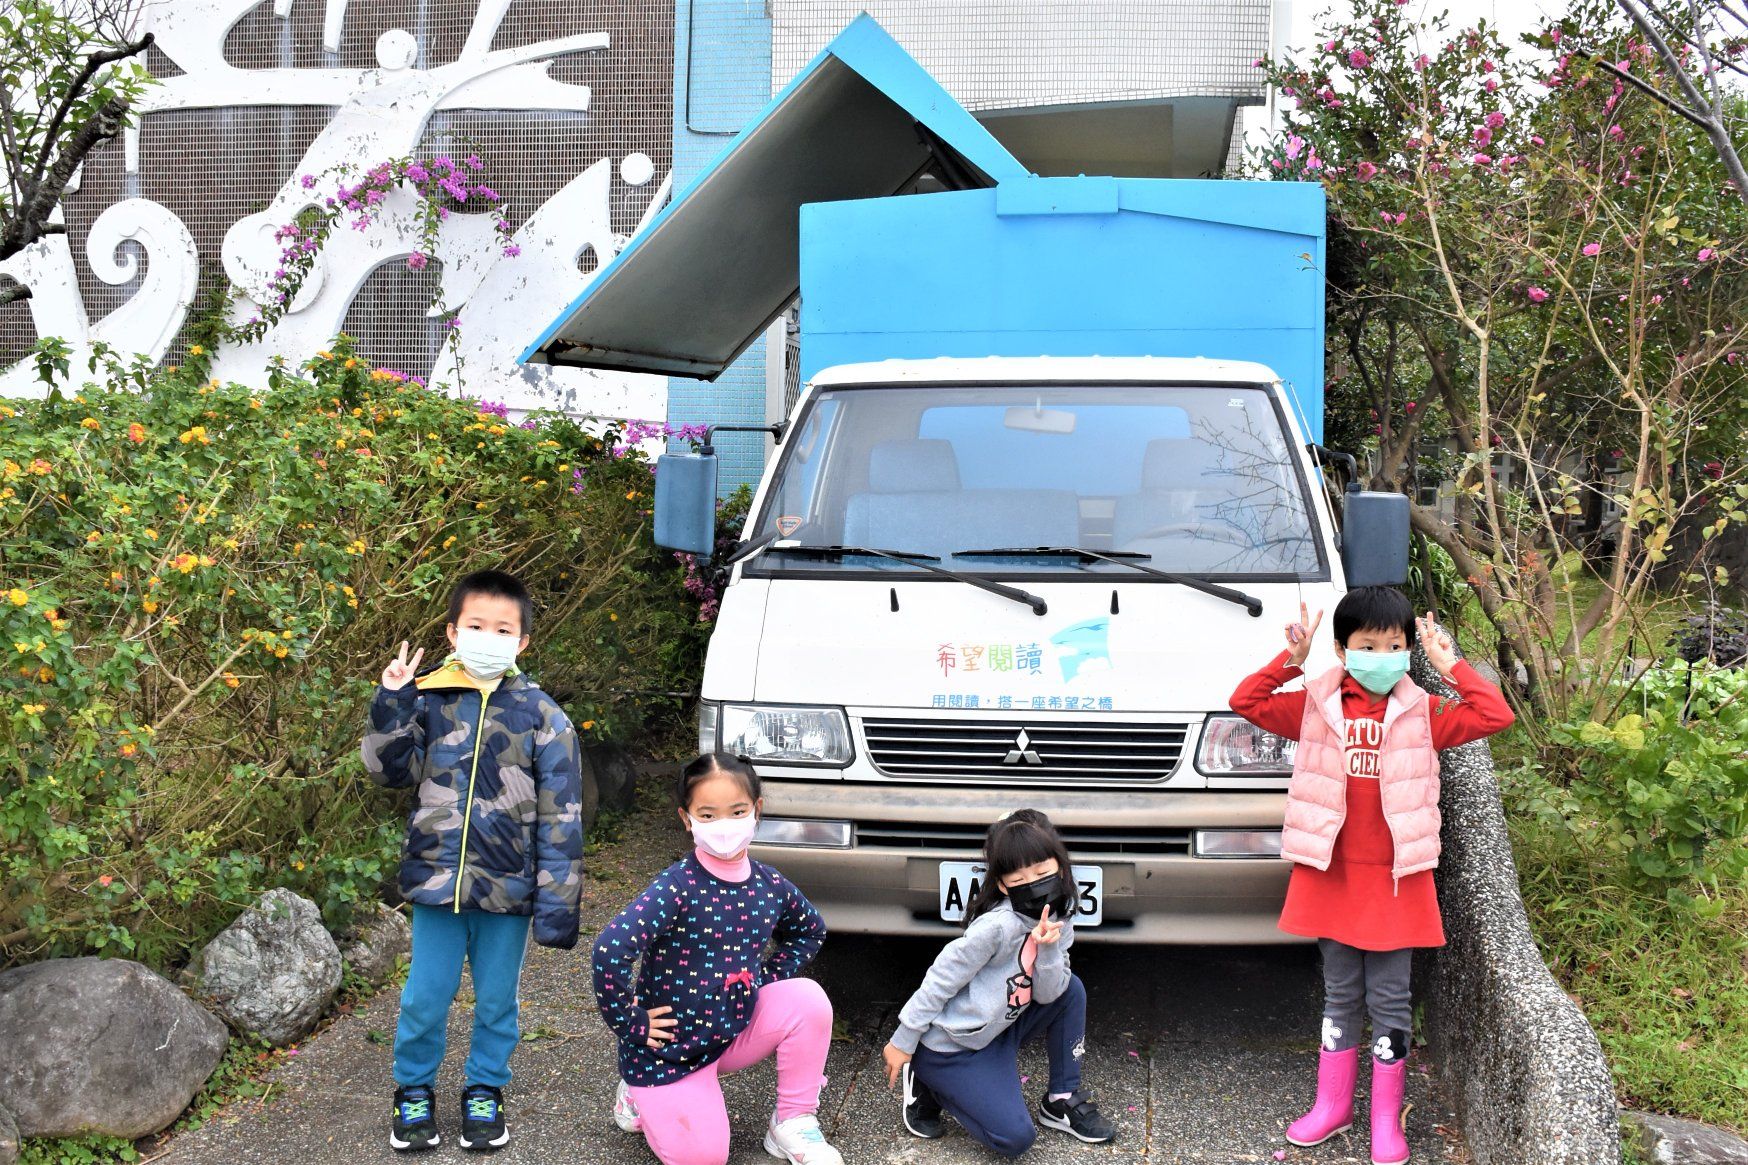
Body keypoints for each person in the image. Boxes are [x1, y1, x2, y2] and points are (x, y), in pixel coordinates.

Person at [1229, 585, 1514, 1165]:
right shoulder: (1315, 703)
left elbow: (1495, 714)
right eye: (1369, 644)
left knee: (1390, 999)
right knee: (1340, 994)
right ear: (1342, 649)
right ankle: (1332, 1106)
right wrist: (1291, 658)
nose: (1382, 654)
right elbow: (1246, 703)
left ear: (1408, 648)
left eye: (1395, 644)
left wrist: (1448, 664)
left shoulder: (1424, 710)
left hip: (1396, 878)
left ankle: (1387, 1119)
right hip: (1332, 873)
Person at [361, 568, 585, 1152]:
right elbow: (387, 771)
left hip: (507, 892)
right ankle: (413, 1091)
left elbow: (562, 817)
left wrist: (557, 904)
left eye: (503, 628)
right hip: (436, 883)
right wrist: (392, 700)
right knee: (424, 996)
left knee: (496, 1001)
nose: (490, 635)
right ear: (454, 633)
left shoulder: (544, 717)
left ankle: (485, 1088)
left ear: (522, 641)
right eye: (477, 625)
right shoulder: (430, 700)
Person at [594, 753, 838, 1165]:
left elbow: (809, 929)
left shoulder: (769, 884)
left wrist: (766, 978)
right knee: (704, 1158)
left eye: (737, 811)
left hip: (732, 1029)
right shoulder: (676, 887)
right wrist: (631, 1023)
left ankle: (793, 1121)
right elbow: (609, 950)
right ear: (687, 819)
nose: (724, 825)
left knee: (809, 999)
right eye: (708, 815)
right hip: (670, 1053)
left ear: (756, 811)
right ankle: (637, 1094)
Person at [881, 809, 1117, 1157]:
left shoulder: (1061, 918)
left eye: (1042, 873)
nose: (1033, 884)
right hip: (954, 1046)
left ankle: (1061, 1099)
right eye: (1019, 879)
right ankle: (928, 1080)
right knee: (1015, 1139)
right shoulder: (996, 927)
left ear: (1060, 868)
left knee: (1072, 988)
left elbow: (1051, 992)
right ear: (1004, 884)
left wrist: (1048, 948)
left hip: (1001, 1030)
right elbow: (941, 978)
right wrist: (904, 1039)